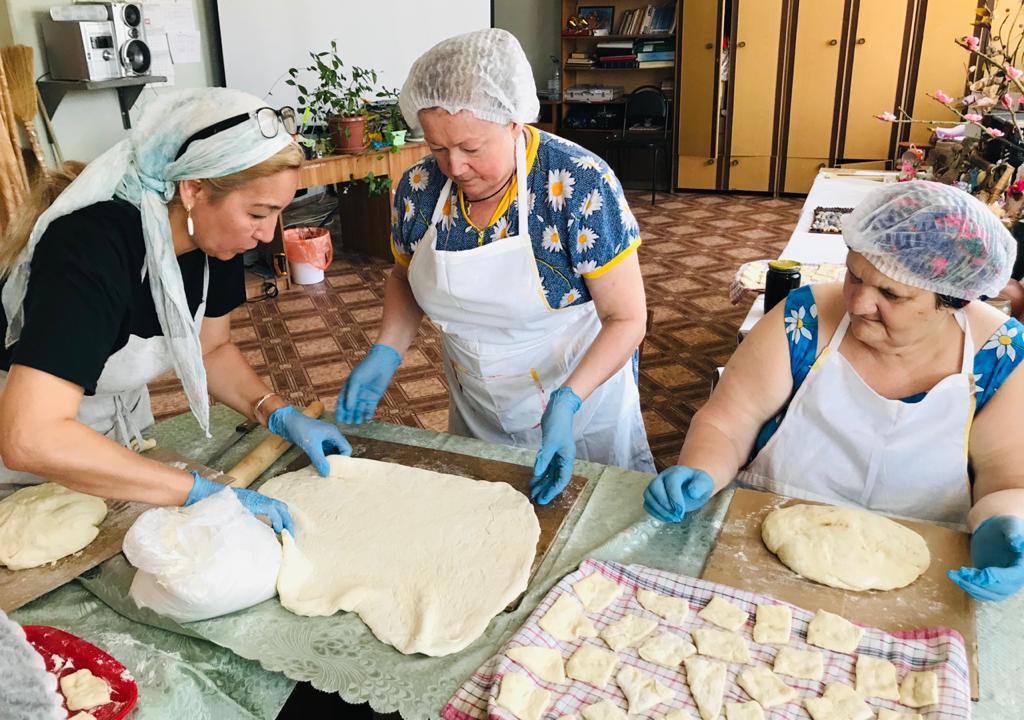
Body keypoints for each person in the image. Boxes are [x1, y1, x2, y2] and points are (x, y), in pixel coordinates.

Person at [644, 180, 1024, 602]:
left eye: (891, 293)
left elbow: (1007, 481)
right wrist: (702, 470)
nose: (858, 303)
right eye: (854, 275)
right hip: (756, 550)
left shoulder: (1001, 356)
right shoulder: (803, 319)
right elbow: (730, 421)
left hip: (927, 580)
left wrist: (1004, 527)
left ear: (955, 299)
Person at [0, 89, 352, 534]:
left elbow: (212, 348)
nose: (267, 236)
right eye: (258, 214)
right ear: (193, 189)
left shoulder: (214, 241)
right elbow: (31, 437)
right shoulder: (91, 249)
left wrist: (276, 412)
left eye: (276, 214)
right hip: (27, 442)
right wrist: (197, 491)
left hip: (113, 425)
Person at [336, 29, 655, 504]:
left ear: (513, 123)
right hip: (477, 404)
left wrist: (568, 401)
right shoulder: (420, 188)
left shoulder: (578, 184)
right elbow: (405, 276)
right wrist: (387, 349)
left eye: (470, 148)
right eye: (437, 147)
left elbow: (626, 318)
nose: (454, 167)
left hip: (581, 405)